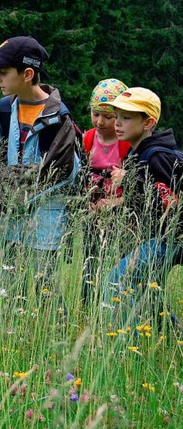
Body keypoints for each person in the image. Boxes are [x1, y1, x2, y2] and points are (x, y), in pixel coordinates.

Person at [0, 36, 81, 309]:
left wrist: (20, 190)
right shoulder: (2, 110)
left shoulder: (59, 117)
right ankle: (15, 342)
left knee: (47, 287)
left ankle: (56, 341)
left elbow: (66, 172)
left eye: (3, 72)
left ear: (28, 74)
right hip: (9, 216)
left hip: (46, 218)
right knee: (11, 288)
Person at [103, 88, 181, 330]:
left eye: (126, 118)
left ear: (148, 122)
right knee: (148, 290)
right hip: (161, 237)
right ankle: (173, 335)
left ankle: (125, 348)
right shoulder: (140, 154)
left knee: (117, 281)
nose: (117, 123)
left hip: (169, 238)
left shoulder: (155, 156)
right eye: (117, 116)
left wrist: (128, 179)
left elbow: (171, 199)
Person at [81, 78, 132, 304]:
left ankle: (113, 303)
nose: (100, 121)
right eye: (95, 114)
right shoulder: (88, 138)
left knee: (118, 264)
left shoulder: (126, 144)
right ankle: (88, 305)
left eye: (108, 117)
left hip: (120, 217)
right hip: (92, 214)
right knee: (90, 260)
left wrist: (113, 203)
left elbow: (137, 186)